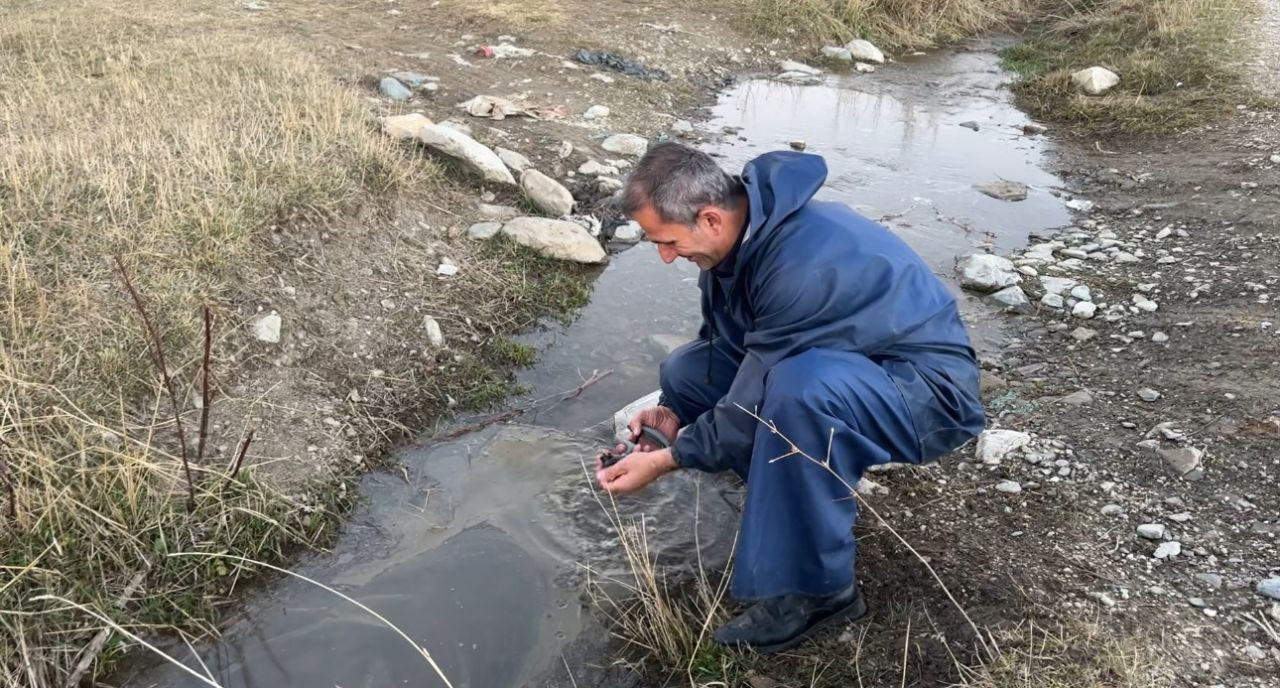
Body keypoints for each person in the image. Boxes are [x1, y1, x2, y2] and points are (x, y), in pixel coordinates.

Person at [595, 142, 986, 653]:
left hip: (926, 392)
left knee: (800, 392)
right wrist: (674, 414)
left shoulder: (799, 261)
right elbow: (728, 350)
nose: (667, 256)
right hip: (853, 365)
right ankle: (789, 494)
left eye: (665, 241)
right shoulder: (745, 237)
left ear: (710, 218)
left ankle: (820, 591)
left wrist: (671, 459)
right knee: (686, 369)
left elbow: (755, 393)